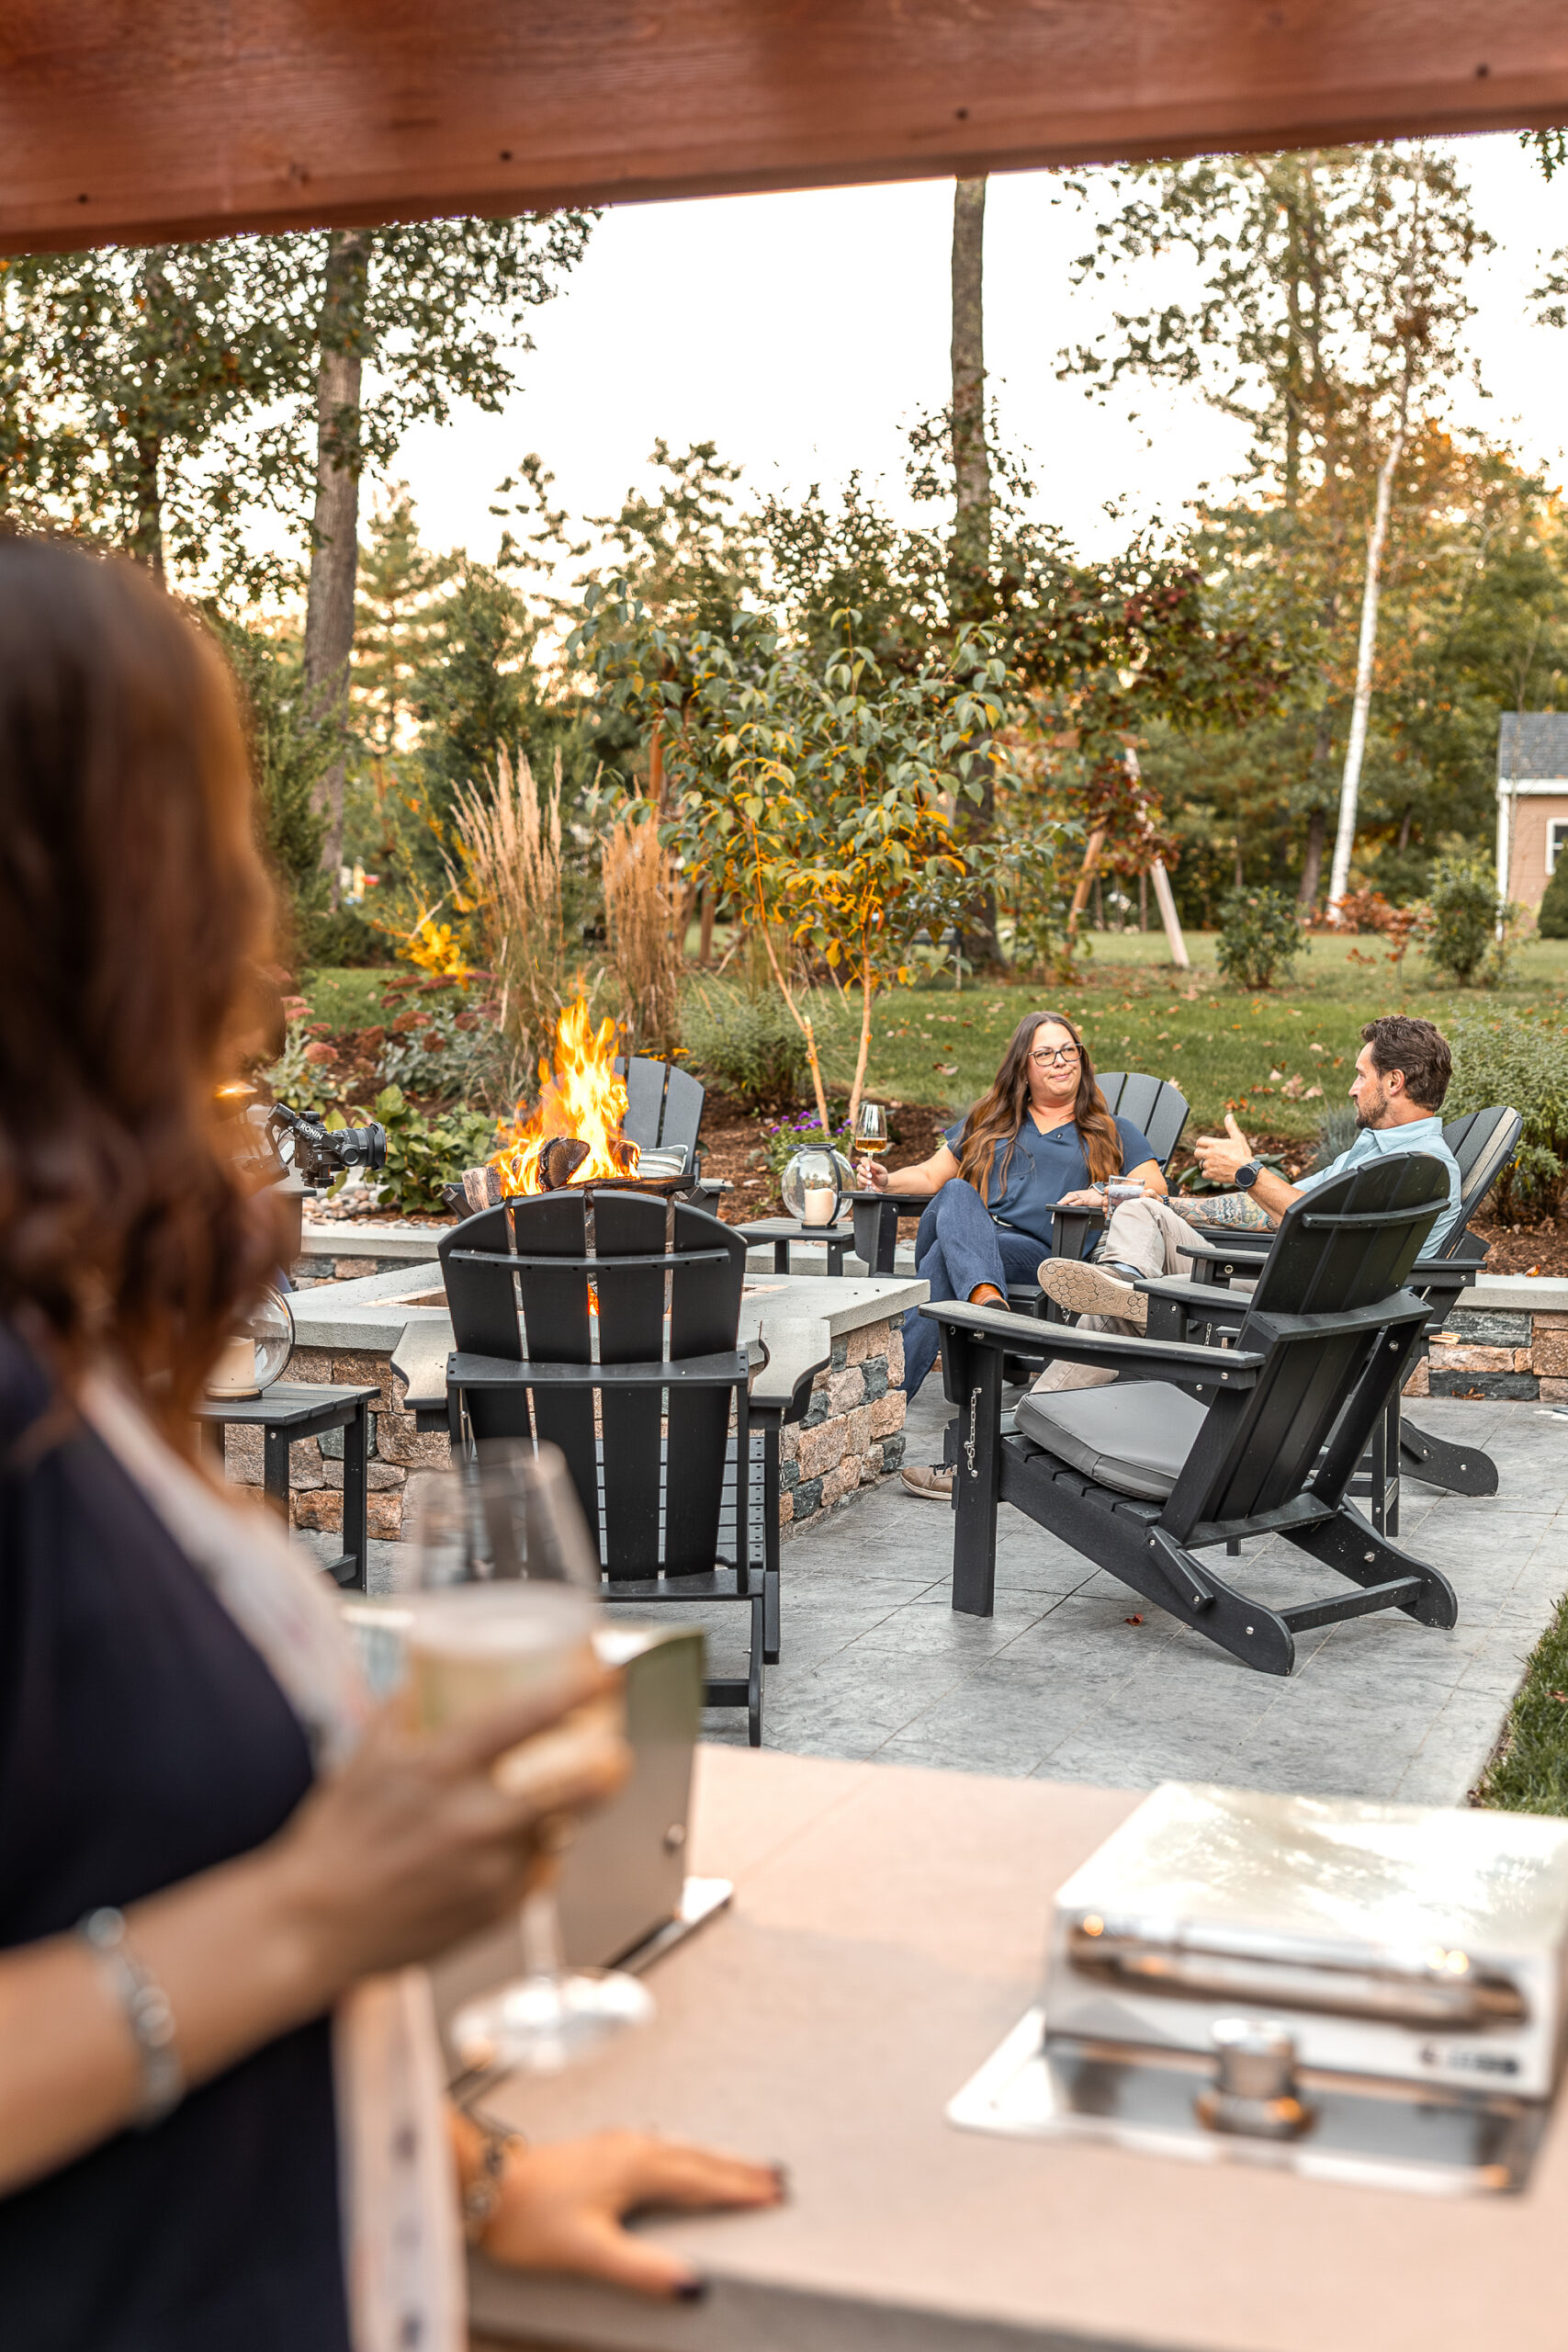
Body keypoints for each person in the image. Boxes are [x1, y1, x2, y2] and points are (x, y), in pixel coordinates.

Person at [0, 541, 782, 2352]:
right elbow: (253, 1925)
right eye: (216, 818)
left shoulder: (80, 1353)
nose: (255, 896)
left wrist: (480, 2175)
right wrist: (316, 1907)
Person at [854, 1010, 1165, 1498]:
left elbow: (1157, 1189)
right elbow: (932, 1177)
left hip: (1037, 1253)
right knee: (956, 1195)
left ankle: (886, 1406)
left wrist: (1099, 1196)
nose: (1060, 1062)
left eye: (1069, 1051)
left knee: (938, 1263)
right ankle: (987, 1304)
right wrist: (886, 1180)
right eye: (1045, 1053)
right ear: (1024, 1067)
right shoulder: (991, 1120)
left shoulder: (1111, 1129)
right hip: (971, 1234)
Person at [1037, 1013, 1463, 1338]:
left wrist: (1249, 1172)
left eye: (1360, 1075)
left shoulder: (1420, 1168)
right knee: (1140, 1211)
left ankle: (1041, 1411)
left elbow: (1318, 1221)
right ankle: (1121, 1282)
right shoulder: (1374, 1149)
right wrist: (1156, 1202)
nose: (1353, 1089)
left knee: (1140, 1303)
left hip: (1308, 1308)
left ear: (1394, 1082)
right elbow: (1277, 1210)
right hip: (1281, 1283)